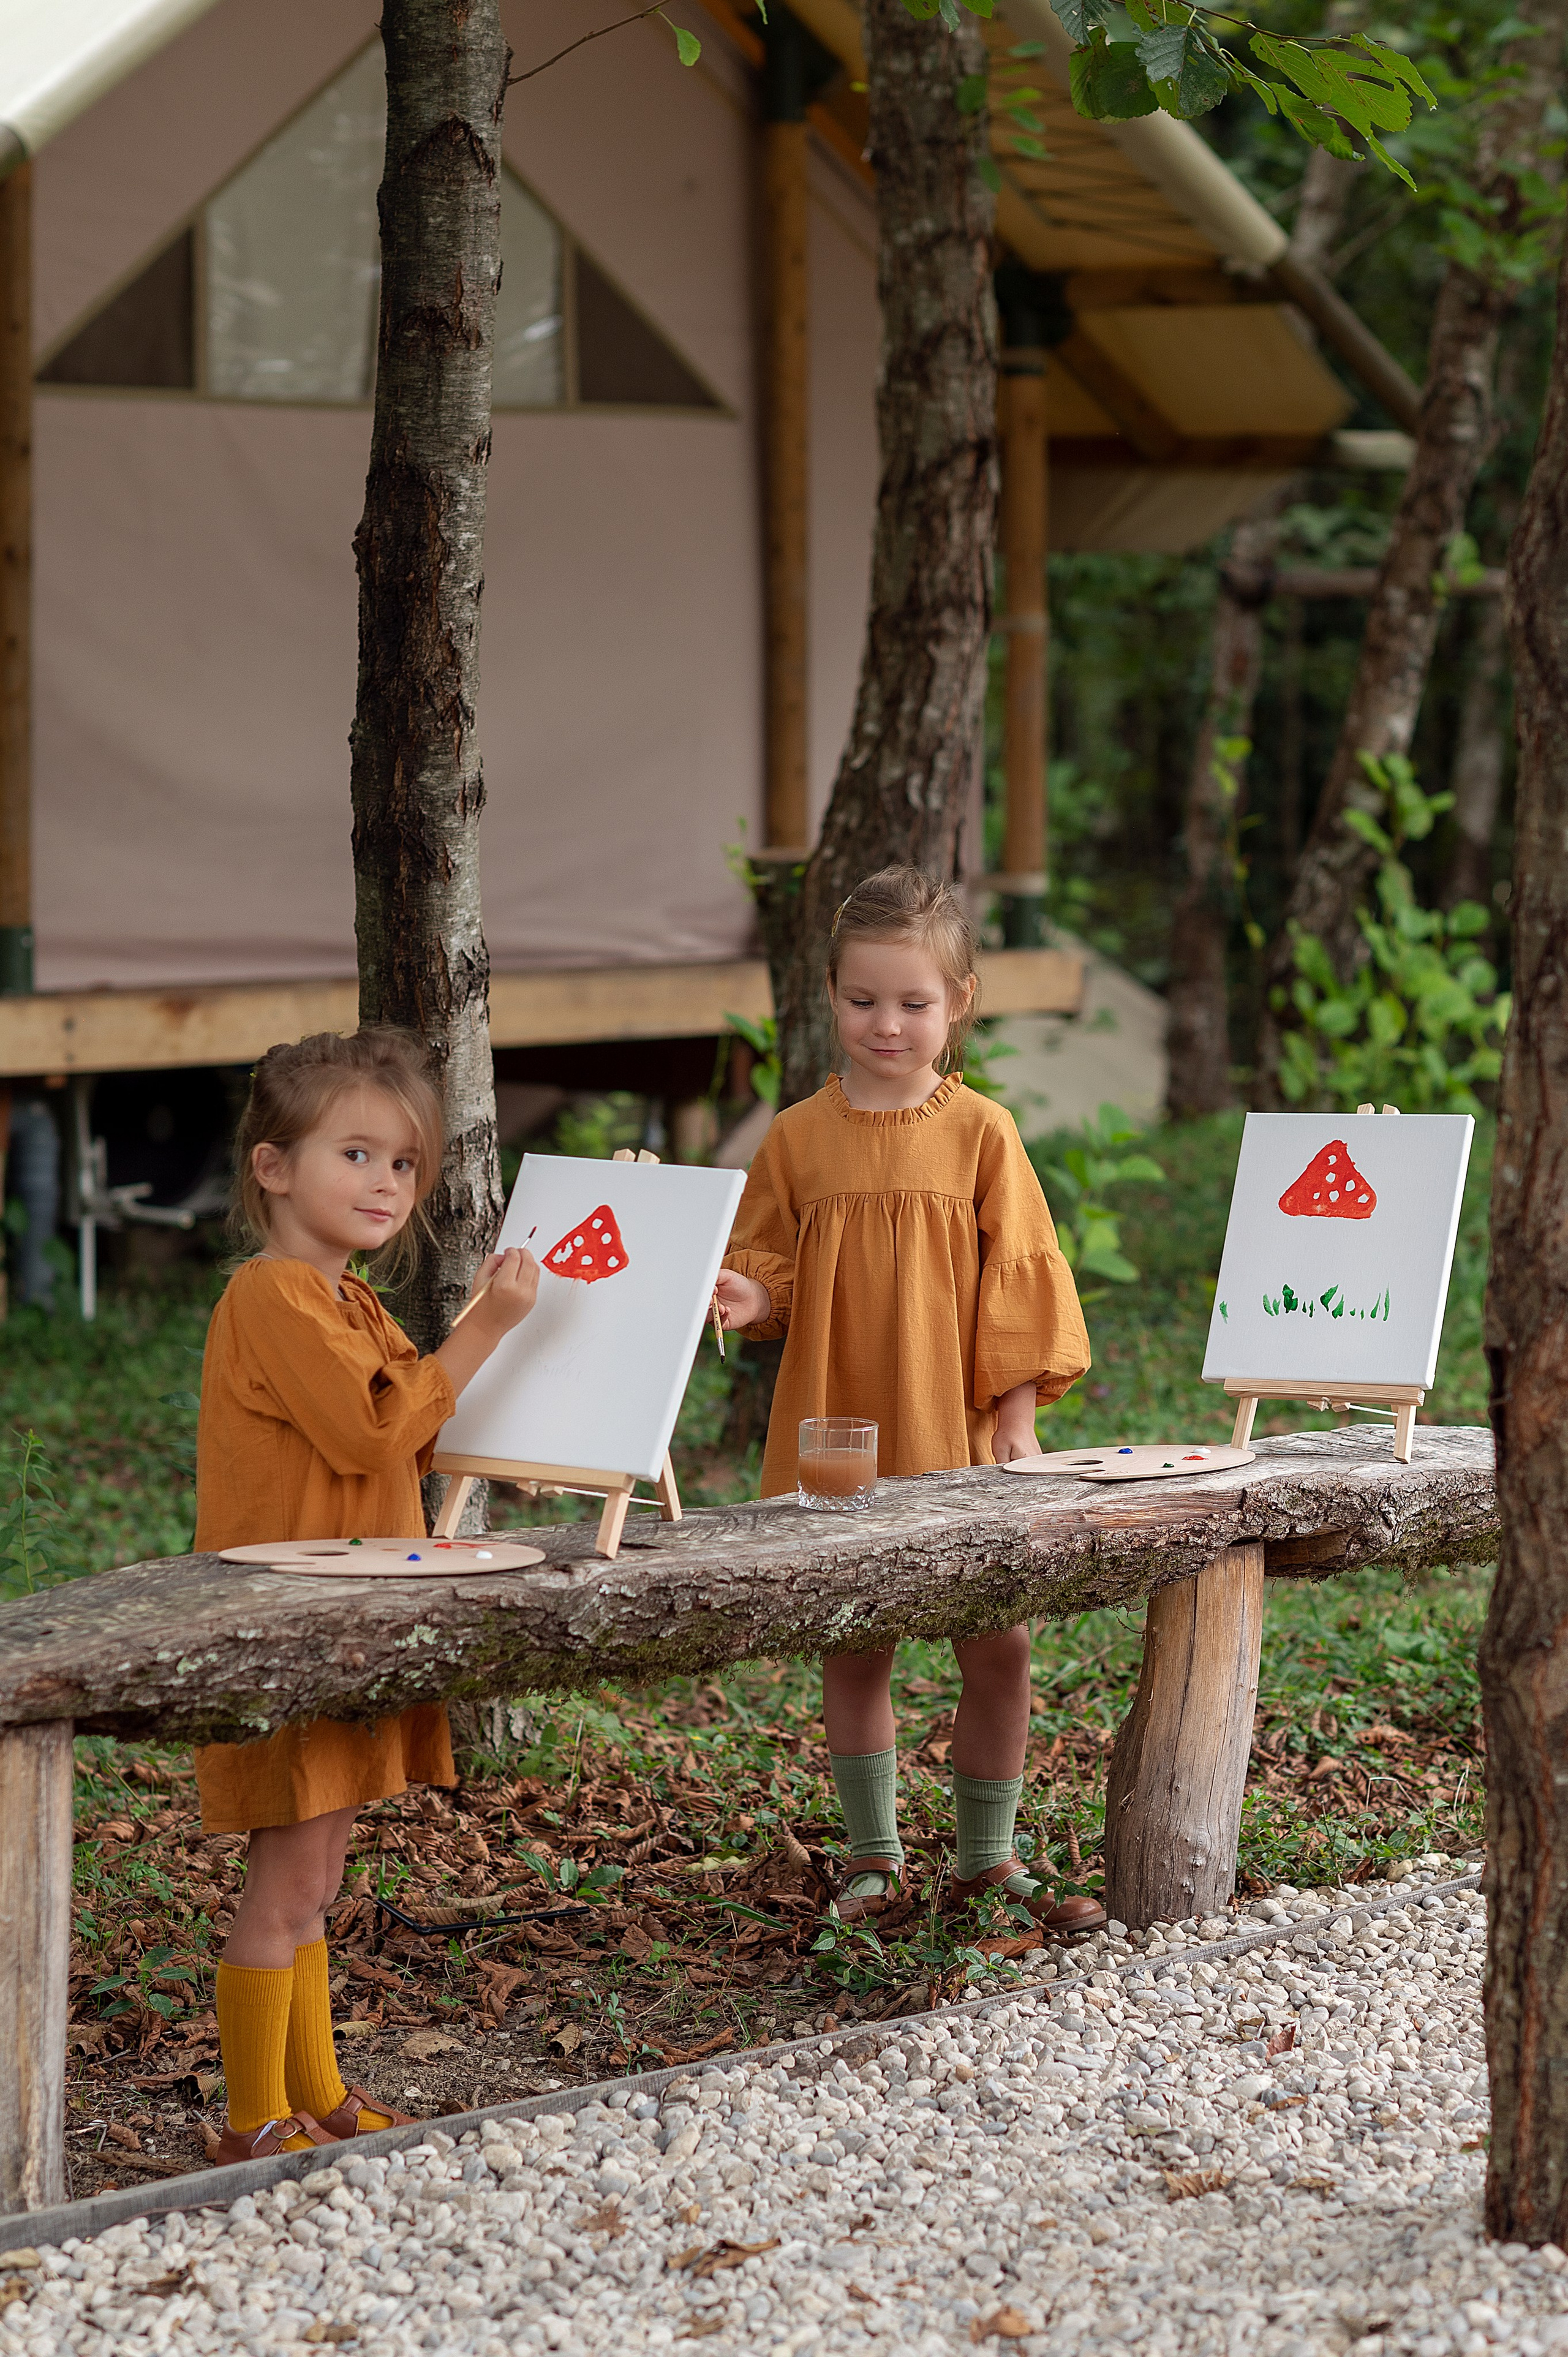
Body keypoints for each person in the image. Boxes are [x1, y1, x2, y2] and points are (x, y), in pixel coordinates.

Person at [713, 868, 1102, 1933]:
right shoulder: (797, 1136)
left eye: (914, 1003)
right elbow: (771, 1268)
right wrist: (748, 1293)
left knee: (999, 1645)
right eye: (863, 1000)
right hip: (841, 1427)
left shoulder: (982, 1131)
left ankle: (987, 1857)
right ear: (829, 997)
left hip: (957, 1425)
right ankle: (873, 1858)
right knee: (858, 1642)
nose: (887, 1024)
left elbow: (1026, 1269)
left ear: (960, 1001)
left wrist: (1017, 1411)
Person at [195, 1029, 538, 2162]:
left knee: (323, 1872)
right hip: (293, 1623)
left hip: (352, 1619)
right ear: (275, 1166)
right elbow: (369, 1427)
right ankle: (251, 2121)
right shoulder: (277, 1298)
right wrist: (486, 1326)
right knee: (288, 1876)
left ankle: (317, 2090)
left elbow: (410, 1434)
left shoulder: (352, 1304)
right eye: (356, 1154)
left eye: (402, 1166)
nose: (386, 1183)